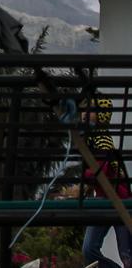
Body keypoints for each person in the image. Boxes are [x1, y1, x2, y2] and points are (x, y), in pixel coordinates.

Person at [81, 95, 132, 268]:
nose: (85, 114)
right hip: (108, 198)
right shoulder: (92, 138)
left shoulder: (102, 139)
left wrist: (84, 176)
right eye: (84, 110)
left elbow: (100, 171)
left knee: (127, 255)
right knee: (90, 250)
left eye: (91, 111)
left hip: (119, 200)